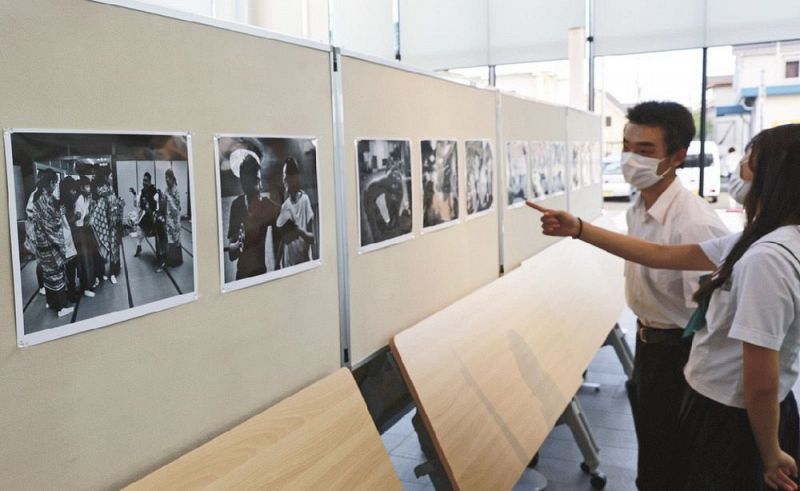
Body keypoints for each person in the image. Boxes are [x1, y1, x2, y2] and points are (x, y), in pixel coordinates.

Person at [527, 123, 800, 490]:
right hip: (728, 403)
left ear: (774, 176)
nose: (738, 171)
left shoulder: (766, 257)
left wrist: (770, 454)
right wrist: (579, 229)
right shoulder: (762, 238)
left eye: (748, 162)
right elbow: (659, 255)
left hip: (736, 415)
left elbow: (761, 380)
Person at [616, 101, 730, 490]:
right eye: (626, 145)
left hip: (681, 354)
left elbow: (707, 318)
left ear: (677, 157)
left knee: (671, 462)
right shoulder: (638, 205)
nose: (630, 158)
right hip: (648, 344)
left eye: (645, 150)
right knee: (652, 451)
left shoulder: (693, 221)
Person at [227, 151, 280, 280]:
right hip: (241, 276)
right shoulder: (237, 205)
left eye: (260, 180)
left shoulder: (267, 205)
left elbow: (283, 233)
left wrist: (278, 266)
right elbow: (231, 254)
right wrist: (240, 243)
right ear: (244, 184)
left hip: (261, 275)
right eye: (256, 181)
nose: (261, 186)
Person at [28, 170, 74, 318]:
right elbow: (52, 223)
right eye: (55, 183)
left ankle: (51, 302)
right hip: (50, 242)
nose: (55, 186)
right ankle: (61, 307)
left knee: (48, 275)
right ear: (51, 183)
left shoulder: (36, 196)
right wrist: (60, 214)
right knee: (57, 274)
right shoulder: (45, 199)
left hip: (41, 243)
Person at [276, 157, 315, 268]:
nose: (284, 180)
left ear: (295, 178)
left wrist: (299, 232)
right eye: (284, 176)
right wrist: (277, 262)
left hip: (305, 264)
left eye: (287, 176)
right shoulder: (285, 206)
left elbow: (312, 239)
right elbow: (283, 238)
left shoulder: (304, 200)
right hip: (289, 265)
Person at [74, 176, 98, 298]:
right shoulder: (79, 199)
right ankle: (86, 287)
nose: (88, 188)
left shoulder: (86, 197)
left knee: (89, 257)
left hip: (85, 229)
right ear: (81, 187)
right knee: (84, 259)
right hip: (80, 231)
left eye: (89, 185)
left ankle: (90, 282)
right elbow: (78, 216)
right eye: (86, 186)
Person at [163, 168, 183, 268]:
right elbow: (164, 200)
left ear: (171, 178)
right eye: (165, 178)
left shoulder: (176, 190)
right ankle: (171, 259)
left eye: (167, 178)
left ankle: (177, 260)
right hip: (168, 216)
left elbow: (178, 206)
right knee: (170, 238)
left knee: (176, 237)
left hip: (175, 217)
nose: (166, 180)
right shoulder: (166, 189)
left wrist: (169, 198)